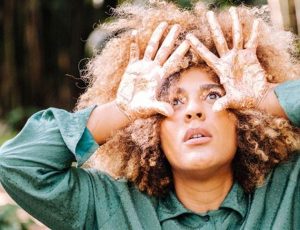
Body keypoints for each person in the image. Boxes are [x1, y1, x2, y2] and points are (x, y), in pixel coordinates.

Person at [0, 1, 299, 229]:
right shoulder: (106, 205)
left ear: (244, 119)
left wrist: (267, 98)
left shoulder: (291, 189)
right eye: (174, 101)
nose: (194, 110)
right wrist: (120, 111)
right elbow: (18, 165)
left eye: (213, 95)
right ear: (148, 127)